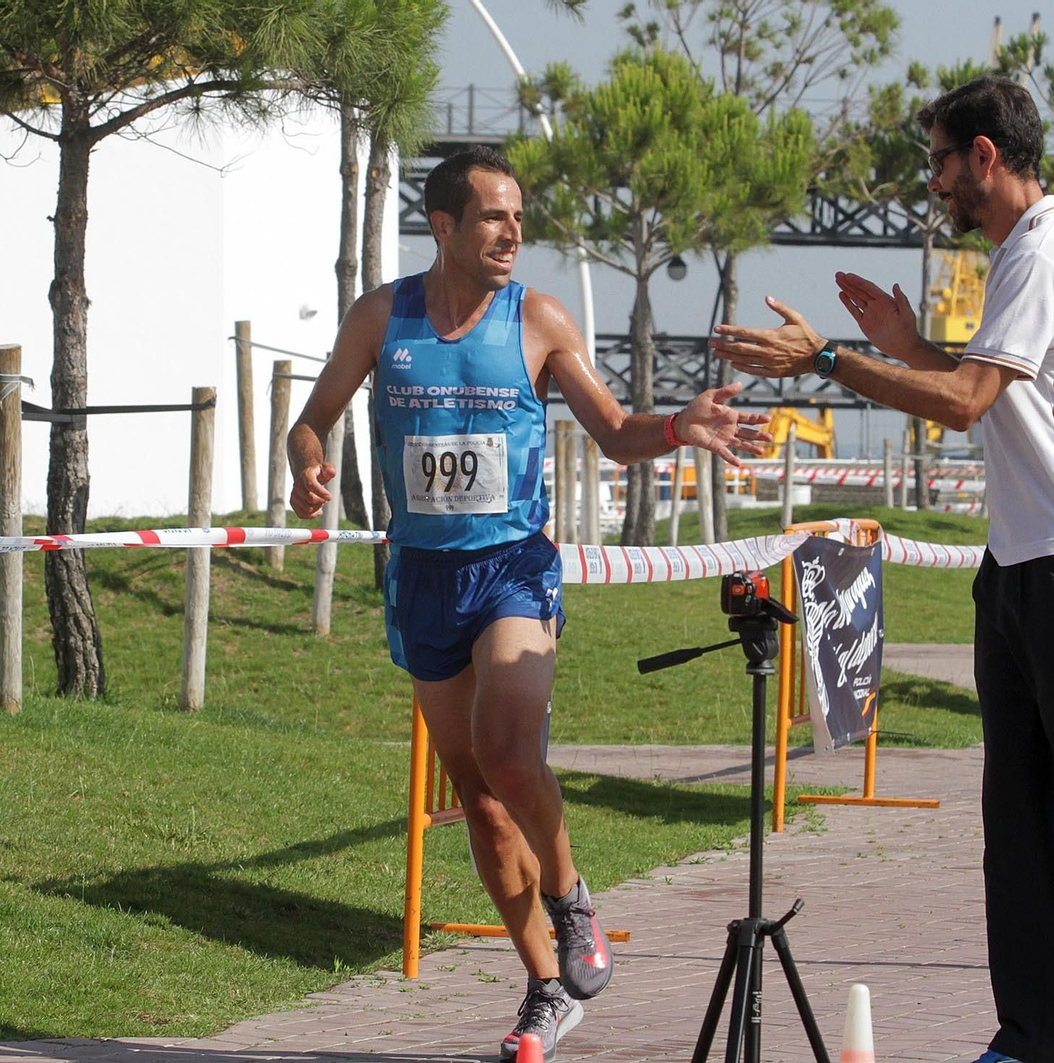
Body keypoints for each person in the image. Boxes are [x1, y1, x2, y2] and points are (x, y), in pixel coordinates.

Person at [710, 76, 1054, 1063]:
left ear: (984, 155)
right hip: (1019, 570)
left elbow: (967, 402)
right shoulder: (1026, 253)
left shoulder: (1047, 249)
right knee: (1022, 828)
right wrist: (909, 347)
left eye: (939, 161)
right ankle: (1034, 1040)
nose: (932, 183)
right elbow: (996, 386)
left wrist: (828, 361)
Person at [287, 145, 770, 1060]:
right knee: (480, 802)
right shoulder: (381, 317)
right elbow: (310, 420)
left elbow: (616, 431)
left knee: (511, 753)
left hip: (512, 566)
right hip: (421, 576)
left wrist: (679, 425)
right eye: (494, 217)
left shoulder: (538, 319)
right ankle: (547, 983)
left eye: (519, 217)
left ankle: (570, 893)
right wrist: (307, 462)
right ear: (444, 226)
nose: (514, 233)